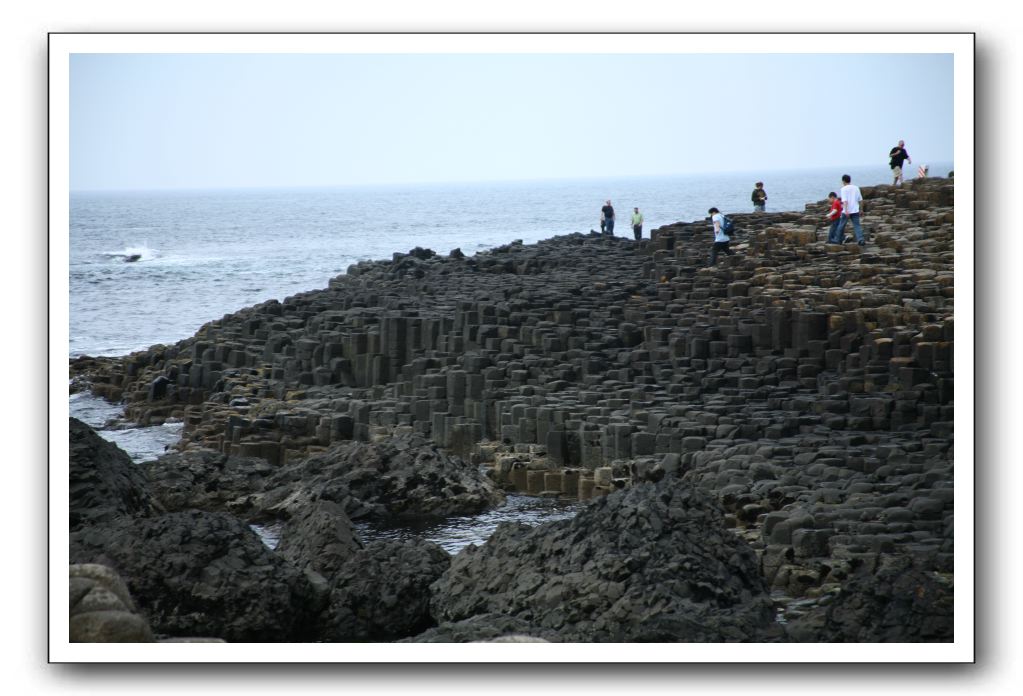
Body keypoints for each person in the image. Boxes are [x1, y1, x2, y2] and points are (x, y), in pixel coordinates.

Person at [835, 174, 866, 246]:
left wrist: (846, 211)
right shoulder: (856, 188)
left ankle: (838, 240)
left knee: (841, 225)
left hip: (846, 211)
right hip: (855, 210)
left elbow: (845, 201)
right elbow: (861, 200)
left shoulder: (843, 189)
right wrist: (861, 210)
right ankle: (860, 240)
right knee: (857, 225)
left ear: (843, 181)